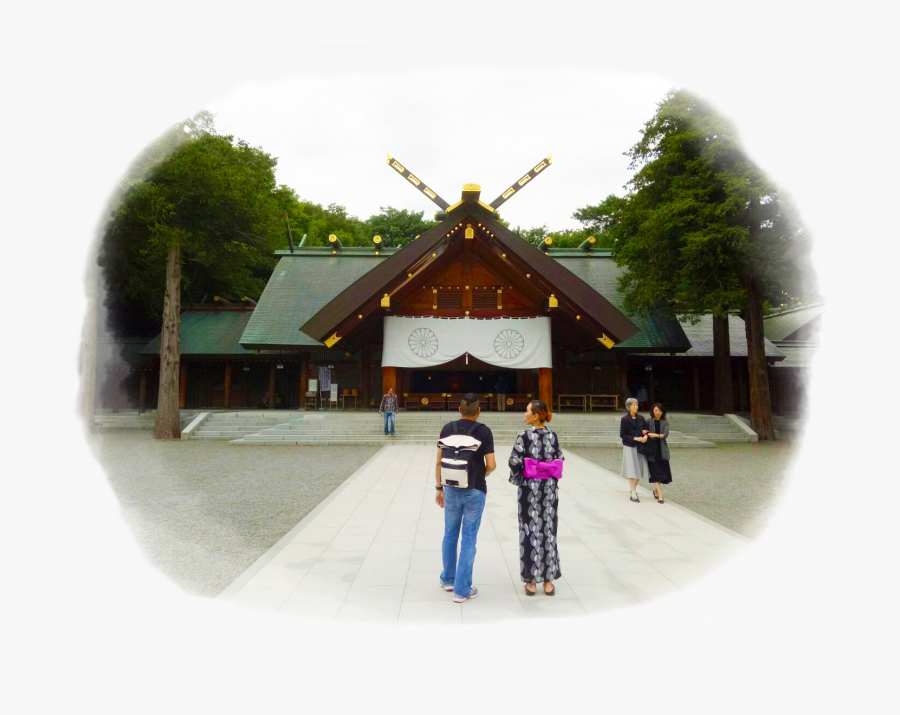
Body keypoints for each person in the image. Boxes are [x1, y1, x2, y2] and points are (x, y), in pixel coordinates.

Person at [436, 393, 496, 603]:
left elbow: (439, 461)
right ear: (479, 411)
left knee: (450, 534)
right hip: (475, 490)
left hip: (451, 489)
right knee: (469, 537)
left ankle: (448, 579)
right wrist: (483, 474)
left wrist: (439, 488)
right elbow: (492, 464)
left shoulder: (447, 428)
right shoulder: (484, 432)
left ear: (459, 409)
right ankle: (462, 590)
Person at [508, 399, 563, 596]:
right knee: (548, 530)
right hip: (549, 488)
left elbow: (514, 461)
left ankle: (531, 581)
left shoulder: (524, 436)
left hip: (529, 489)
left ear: (536, 415)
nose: (525, 414)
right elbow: (560, 460)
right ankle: (548, 581)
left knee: (529, 530)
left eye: (527, 411)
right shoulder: (553, 436)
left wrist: (524, 473)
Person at [620, 397, 650, 502]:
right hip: (630, 446)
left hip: (640, 447)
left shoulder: (641, 418)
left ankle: (633, 488)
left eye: (636, 405)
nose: (636, 406)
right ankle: (633, 492)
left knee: (639, 470)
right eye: (633, 405)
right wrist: (636, 438)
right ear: (628, 407)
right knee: (632, 470)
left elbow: (645, 431)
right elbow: (623, 435)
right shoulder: (624, 419)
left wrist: (645, 436)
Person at [645, 402, 673, 503]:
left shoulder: (665, 422)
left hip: (662, 451)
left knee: (661, 473)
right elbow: (643, 431)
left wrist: (654, 435)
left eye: (660, 411)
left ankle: (656, 491)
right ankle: (660, 495)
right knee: (656, 473)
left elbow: (665, 435)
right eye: (656, 410)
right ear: (652, 411)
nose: (657, 412)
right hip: (652, 451)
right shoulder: (648, 421)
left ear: (662, 412)